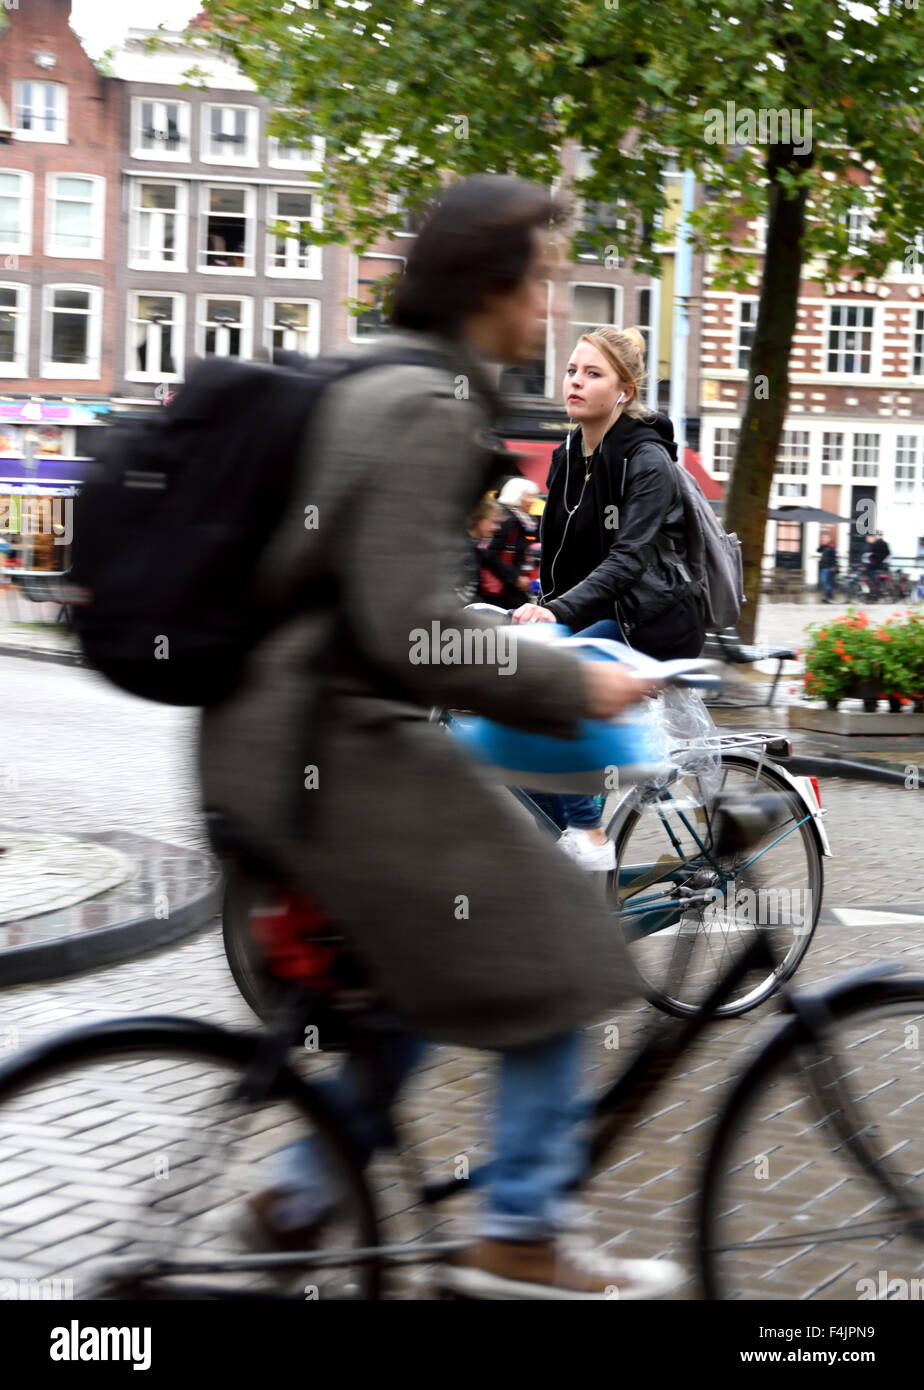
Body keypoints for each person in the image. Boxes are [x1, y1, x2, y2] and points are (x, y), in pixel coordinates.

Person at [198, 175, 683, 1299]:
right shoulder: (427, 405)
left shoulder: (387, 380)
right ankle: (519, 1225)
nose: (547, 314)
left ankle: (301, 1192)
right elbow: (414, 633)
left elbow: (388, 601)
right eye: (540, 285)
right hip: (330, 748)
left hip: (276, 736)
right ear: (491, 287)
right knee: (559, 934)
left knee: (418, 973)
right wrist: (576, 685)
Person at [510, 327, 704, 870]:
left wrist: (556, 614)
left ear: (623, 390)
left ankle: (589, 835)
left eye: (592, 373)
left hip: (655, 621)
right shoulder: (567, 451)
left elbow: (629, 559)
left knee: (559, 680)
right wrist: (534, 610)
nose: (575, 381)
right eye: (573, 370)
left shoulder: (647, 460)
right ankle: (565, 829)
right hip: (597, 614)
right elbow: (558, 553)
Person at [476, 478, 539, 609]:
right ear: (517, 496)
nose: (533, 500)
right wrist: (516, 578)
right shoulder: (508, 520)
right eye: (529, 496)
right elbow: (488, 554)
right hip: (503, 591)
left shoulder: (523, 520)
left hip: (511, 589)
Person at [817, 534, 837, 603]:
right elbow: (818, 550)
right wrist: (822, 544)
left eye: (825, 538)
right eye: (823, 538)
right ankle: (827, 596)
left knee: (827, 582)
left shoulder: (831, 547)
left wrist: (833, 566)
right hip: (823, 566)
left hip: (828, 567)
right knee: (824, 582)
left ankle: (829, 596)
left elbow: (833, 557)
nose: (824, 539)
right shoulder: (824, 547)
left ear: (829, 539)